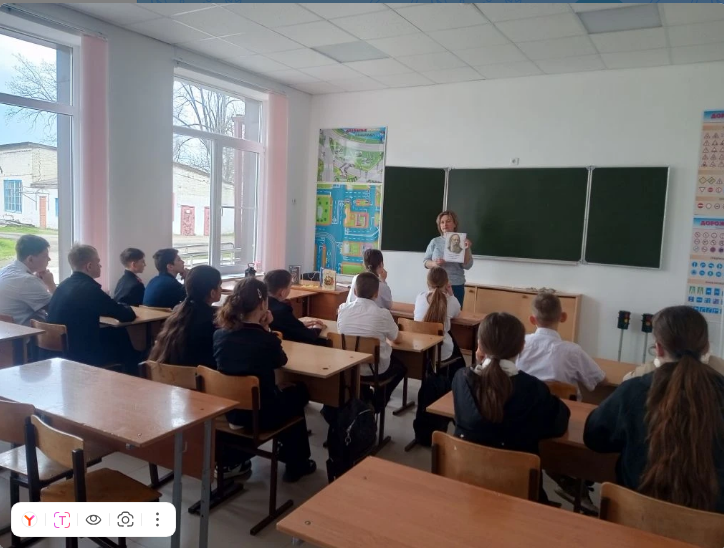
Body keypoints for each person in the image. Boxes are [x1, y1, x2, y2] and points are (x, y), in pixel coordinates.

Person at [584, 306, 724, 512]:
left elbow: (595, 438)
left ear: (658, 348)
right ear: (706, 347)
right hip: (713, 523)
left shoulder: (633, 391)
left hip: (635, 517)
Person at [452, 313, 569, 501]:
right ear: (522, 346)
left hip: (466, 484)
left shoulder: (461, 379)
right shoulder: (533, 389)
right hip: (519, 494)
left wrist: (480, 361)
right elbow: (559, 424)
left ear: (480, 344)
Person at [214, 277, 316, 483]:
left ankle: (235, 460)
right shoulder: (265, 339)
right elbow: (281, 360)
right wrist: (267, 328)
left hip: (229, 410)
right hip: (260, 414)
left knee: (285, 392)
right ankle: (297, 463)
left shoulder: (220, 335)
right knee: (298, 392)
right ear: (262, 305)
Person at [47, 244, 140, 372]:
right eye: (98, 262)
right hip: (81, 355)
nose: (100, 266)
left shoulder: (64, 285)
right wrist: (125, 307)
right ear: (89, 266)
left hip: (59, 351)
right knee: (123, 337)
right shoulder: (89, 289)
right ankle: (134, 377)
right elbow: (126, 315)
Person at [337, 272, 406, 411]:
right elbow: (397, 338)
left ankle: (364, 399)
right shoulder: (383, 314)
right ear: (376, 294)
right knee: (402, 368)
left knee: (361, 364)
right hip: (375, 370)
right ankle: (377, 404)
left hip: (349, 368)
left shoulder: (343, 309)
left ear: (354, 291)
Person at [517, 291, 605, 395]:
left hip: (522, 404)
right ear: (563, 317)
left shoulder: (518, 344)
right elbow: (600, 380)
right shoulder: (573, 351)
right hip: (559, 405)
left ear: (532, 320)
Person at [148, 265, 223, 367]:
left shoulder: (178, 312)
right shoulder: (212, 320)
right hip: (198, 374)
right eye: (219, 285)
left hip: (168, 373)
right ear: (212, 293)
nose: (221, 289)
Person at [0, 234, 56, 325]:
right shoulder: (27, 280)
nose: (49, 259)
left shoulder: (6, 270)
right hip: (26, 332)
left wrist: (39, 283)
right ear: (30, 259)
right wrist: (51, 285)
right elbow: (57, 308)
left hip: (6, 330)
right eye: (45, 256)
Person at [414, 266, 463, 368]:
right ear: (446, 283)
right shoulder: (450, 301)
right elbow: (458, 312)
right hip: (441, 353)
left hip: (421, 349)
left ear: (428, 283)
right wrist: (451, 295)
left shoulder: (420, 297)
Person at [423, 210, 473, 307]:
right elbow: (425, 262)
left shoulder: (462, 241)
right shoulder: (435, 241)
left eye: (448, 221)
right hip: (436, 285)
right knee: (435, 312)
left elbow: (467, 266)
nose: (445, 224)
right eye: (442, 222)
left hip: (456, 285)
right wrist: (435, 264)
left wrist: (466, 249)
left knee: (455, 313)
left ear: (454, 224)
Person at [264, 269, 326, 345]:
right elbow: (308, 336)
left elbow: (286, 326)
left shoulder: (260, 306)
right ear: (283, 292)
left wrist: (300, 324)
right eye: (290, 286)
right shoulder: (282, 310)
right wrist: (318, 327)